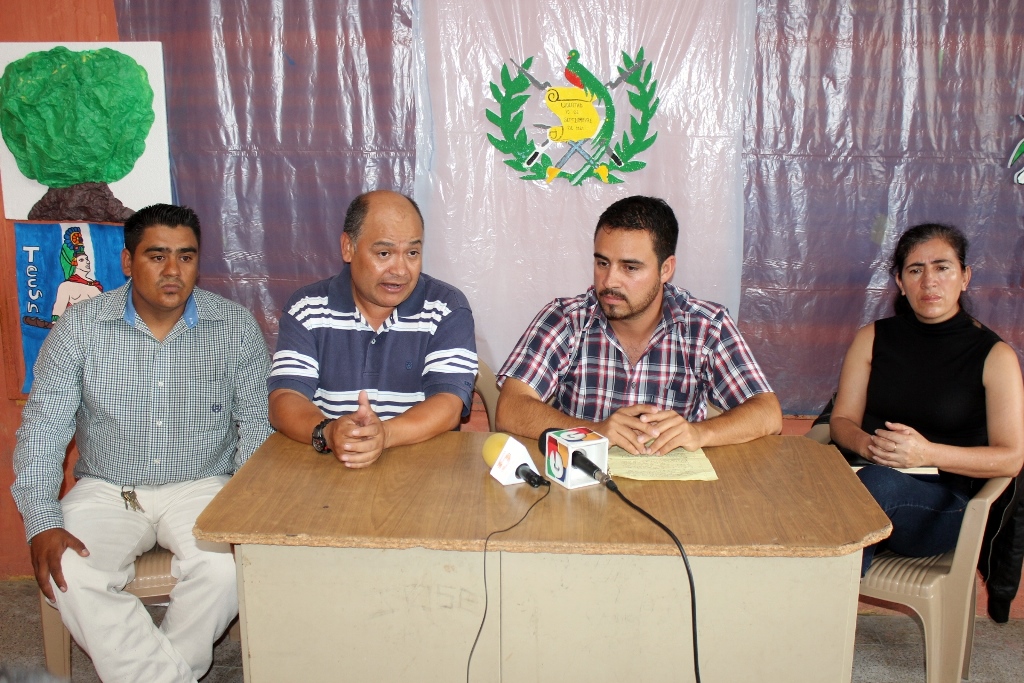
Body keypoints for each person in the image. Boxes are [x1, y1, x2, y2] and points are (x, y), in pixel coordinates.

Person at [11, 204, 273, 683]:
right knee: (68, 570)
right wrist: (41, 520)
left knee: (227, 571)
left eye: (186, 256)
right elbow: (43, 429)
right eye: (157, 256)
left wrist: (247, 512)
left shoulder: (234, 327)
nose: (173, 271)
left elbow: (257, 432)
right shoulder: (80, 327)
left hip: (202, 485)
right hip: (108, 489)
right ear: (128, 262)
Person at [495, 195, 781, 454]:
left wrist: (698, 432)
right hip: (582, 486)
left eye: (630, 268)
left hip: (675, 494)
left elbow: (767, 413)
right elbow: (510, 409)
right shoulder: (565, 319)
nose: (609, 281)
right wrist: (592, 431)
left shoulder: (705, 326)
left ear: (665, 269)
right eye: (602, 263)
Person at [830, 223, 1024, 575]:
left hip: (943, 504)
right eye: (915, 270)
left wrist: (926, 453)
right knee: (821, 484)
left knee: (876, 485)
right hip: (863, 478)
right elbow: (841, 422)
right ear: (901, 284)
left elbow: (1011, 459)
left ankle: (821, 616)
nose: (929, 281)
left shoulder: (995, 356)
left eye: (942, 267)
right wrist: (870, 446)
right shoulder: (872, 338)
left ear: (965, 277)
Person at [268, 190, 477, 467]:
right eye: (384, 253)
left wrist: (384, 435)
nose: (401, 270)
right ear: (348, 247)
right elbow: (285, 398)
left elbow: (449, 404)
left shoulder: (446, 307)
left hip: (420, 470)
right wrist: (330, 431)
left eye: (412, 253)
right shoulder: (307, 308)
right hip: (327, 467)